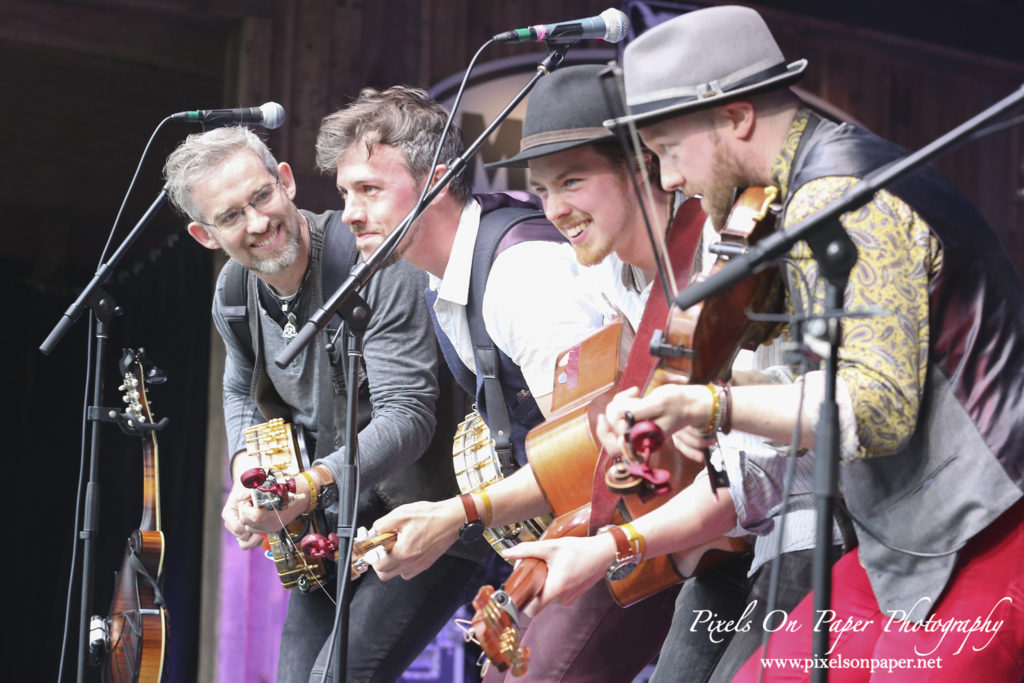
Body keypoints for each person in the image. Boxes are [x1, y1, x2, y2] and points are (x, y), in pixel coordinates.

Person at [507, 5, 1024, 682]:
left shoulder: (838, 200)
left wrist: (715, 406)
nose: (668, 181)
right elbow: (803, 413)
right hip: (898, 543)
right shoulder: (787, 205)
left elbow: (875, 410)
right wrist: (694, 417)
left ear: (736, 117)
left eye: (667, 149)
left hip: (989, 525)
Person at [314, 82, 682, 681]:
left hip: (640, 527)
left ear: (436, 181)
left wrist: (459, 514)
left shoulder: (522, 276)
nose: (351, 212)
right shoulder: (445, 277)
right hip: (588, 529)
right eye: (345, 193)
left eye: (370, 190)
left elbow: (600, 454)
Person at [496, 64, 844, 683]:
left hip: (802, 524)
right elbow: (655, 409)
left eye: (572, 180)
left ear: (643, 165)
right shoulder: (607, 275)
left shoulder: (729, 250)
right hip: (722, 532)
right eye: (542, 189)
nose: (553, 209)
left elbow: (773, 442)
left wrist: (617, 539)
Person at [163, 125, 485, 683]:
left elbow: (408, 417)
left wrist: (299, 488)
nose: (258, 222)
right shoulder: (234, 291)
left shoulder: (377, 260)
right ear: (205, 234)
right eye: (232, 216)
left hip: (426, 513)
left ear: (285, 181)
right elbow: (240, 389)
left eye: (261, 196)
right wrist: (248, 474)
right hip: (325, 527)